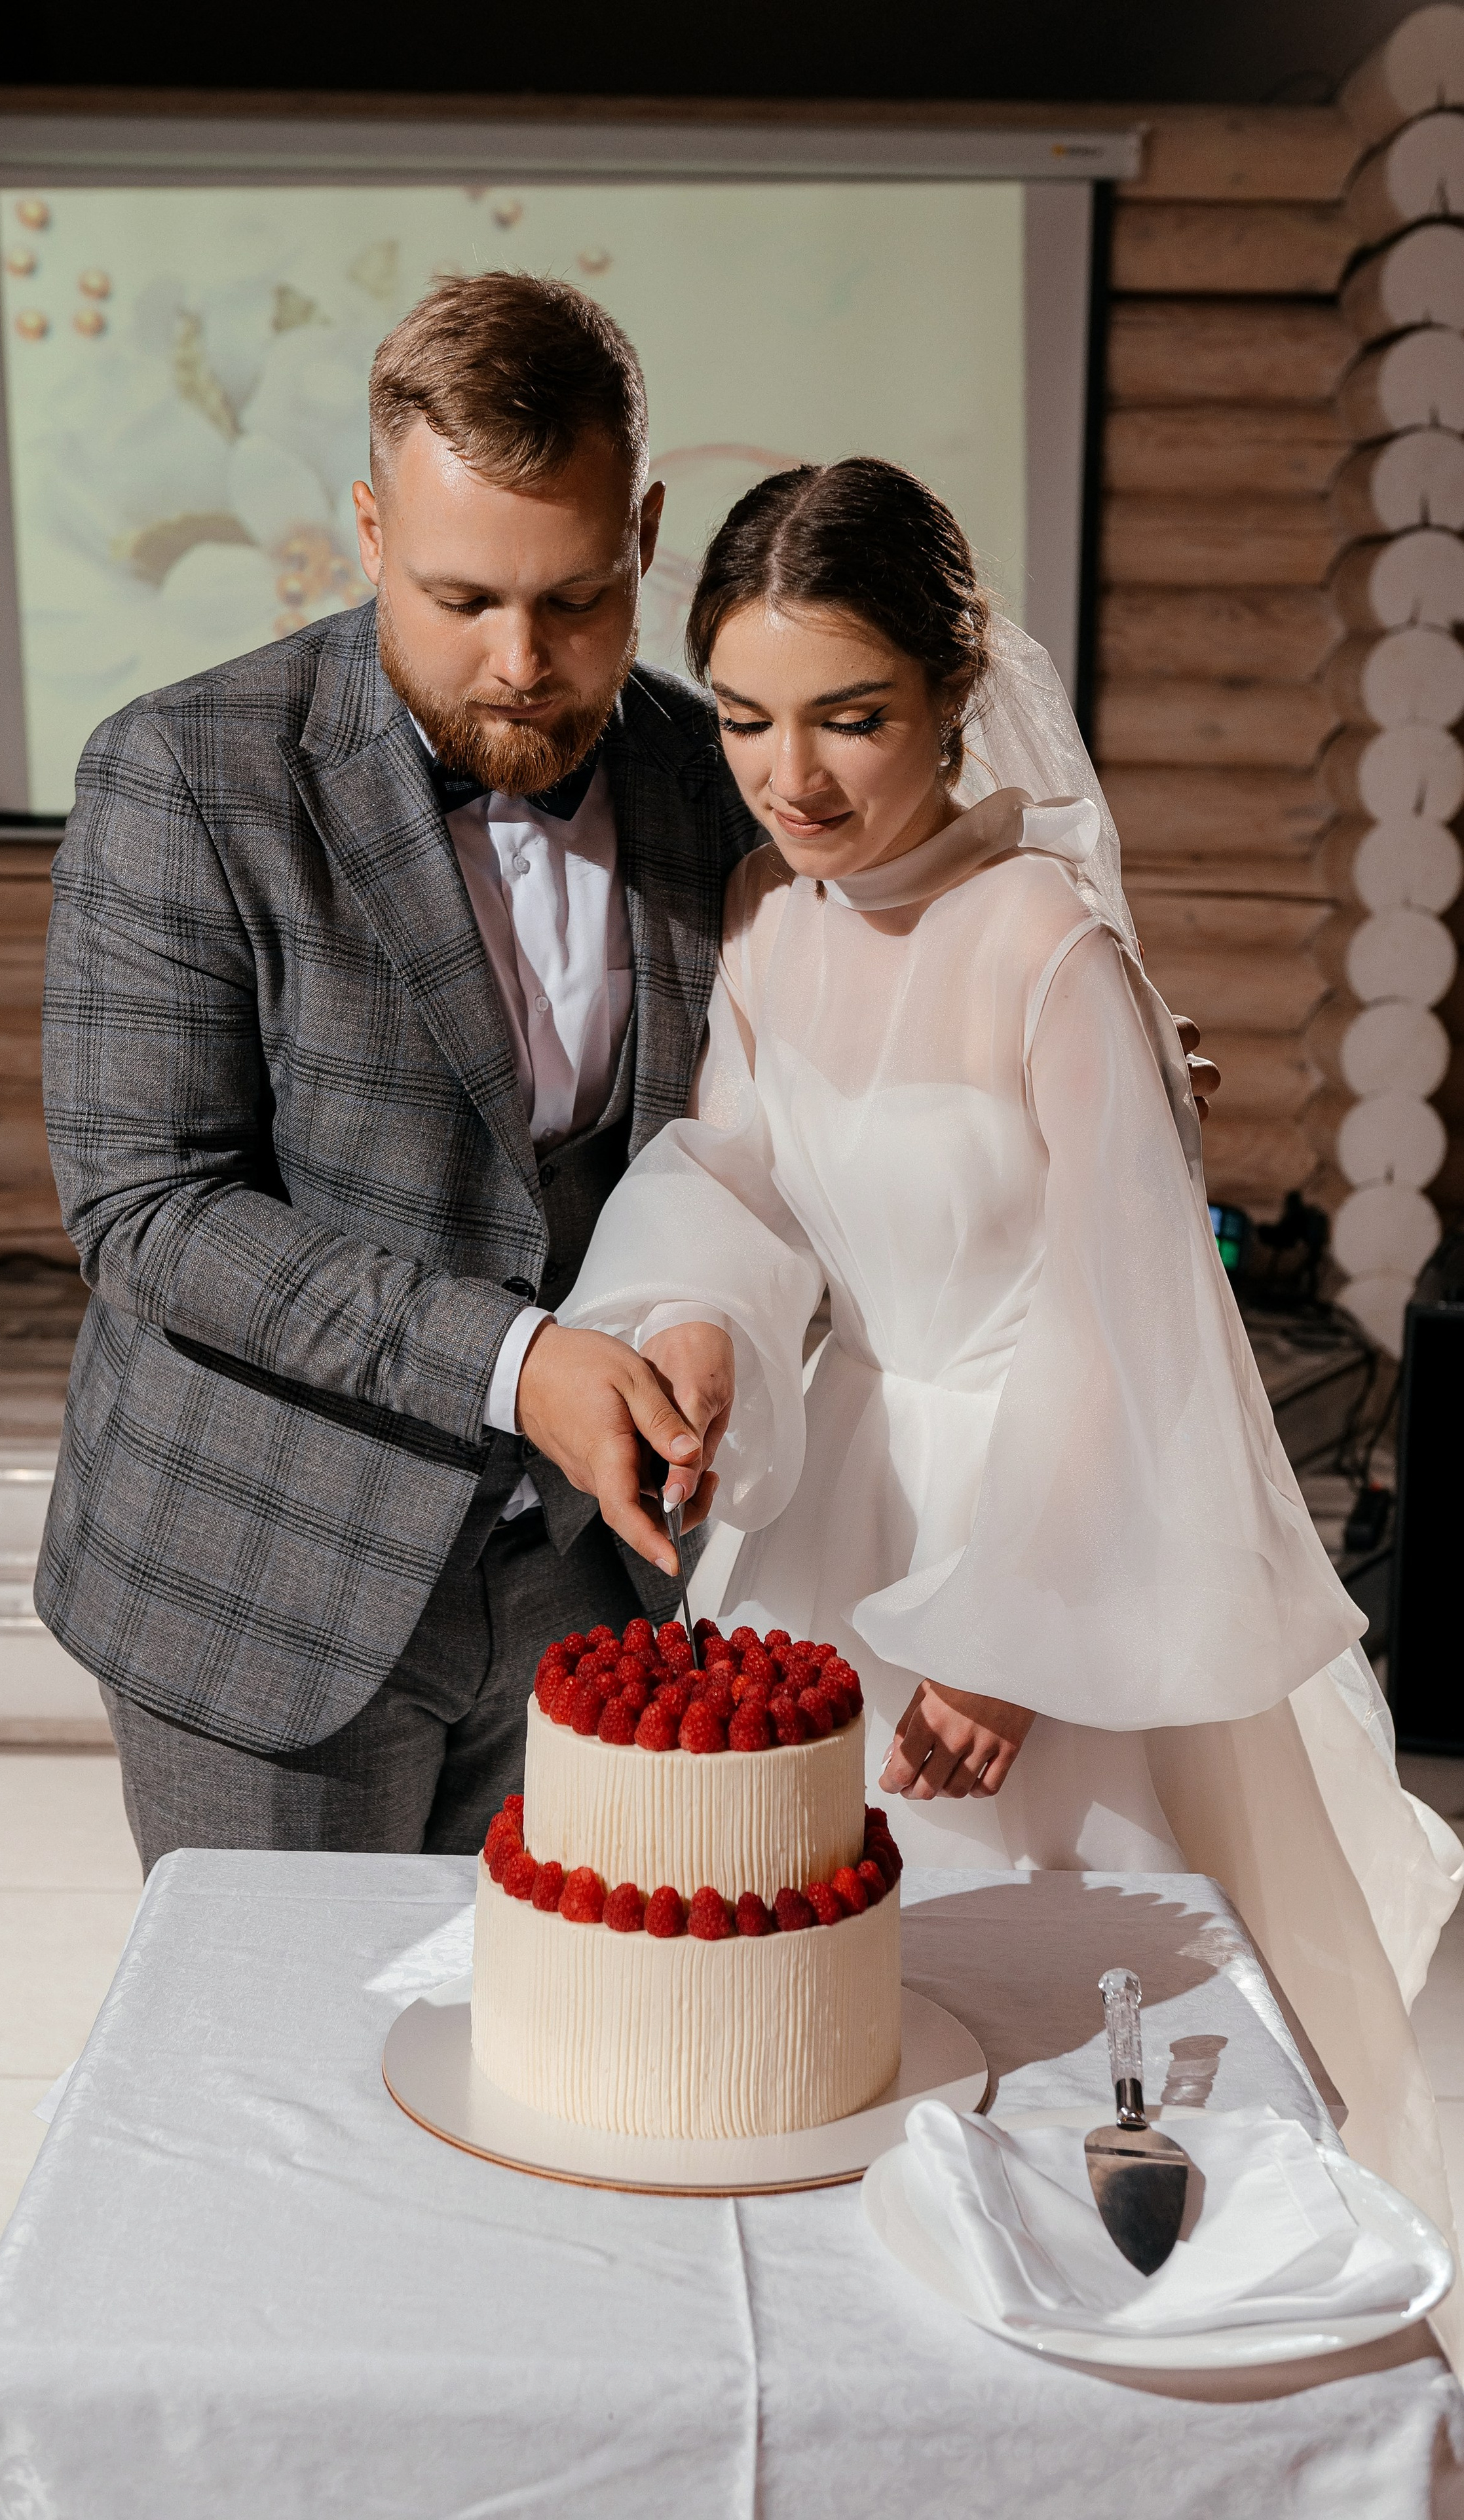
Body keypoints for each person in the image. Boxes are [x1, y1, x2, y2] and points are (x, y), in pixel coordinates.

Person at [39, 273, 1213, 1880]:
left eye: (577, 599)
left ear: (645, 533)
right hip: (269, 1584)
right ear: (371, 531)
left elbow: (833, 1068)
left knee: (571, 2065)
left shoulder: (720, 771)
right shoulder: (185, 773)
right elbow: (149, 1211)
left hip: (604, 1596)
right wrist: (522, 1362)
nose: (522, 660)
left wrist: (1093, 1071)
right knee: (282, 2076)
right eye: (462, 601)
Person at [557, 456, 1463, 2270]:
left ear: (958, 696)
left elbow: (1139, 1318)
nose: (792, 777)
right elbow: (735, 1178)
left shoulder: (1051, 950)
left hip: (1053, 1535)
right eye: (743, 718)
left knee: (1064, 2028)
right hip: (846, 1512)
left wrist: (1016, 1641)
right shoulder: (760, 919)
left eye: (850, 719)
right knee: (815, 2015)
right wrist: (699, 1326)